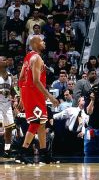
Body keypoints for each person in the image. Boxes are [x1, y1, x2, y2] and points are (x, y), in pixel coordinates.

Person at [14, 36, 59, 164]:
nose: (44, 42)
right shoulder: (37, 58)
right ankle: (21, 153)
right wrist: (50, 96)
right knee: (36, 122)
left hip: (30, 93)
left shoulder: (28, 57)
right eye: (42, 41)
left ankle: (45, 155)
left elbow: (21, 78)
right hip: (34, 93)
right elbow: (35, 81)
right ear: (34, 43)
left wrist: (22, 98)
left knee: (42, 123)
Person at [0, 56, 15, 157]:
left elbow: (12, 90)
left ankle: (7, 149)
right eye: (4, 60)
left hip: (7, 104)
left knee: (9, 128)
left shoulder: (10, 75)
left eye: (6, 60)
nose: (6, 61)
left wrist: (16, 98)